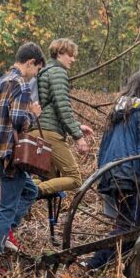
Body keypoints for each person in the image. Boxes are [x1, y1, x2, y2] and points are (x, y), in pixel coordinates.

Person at [84, 71, 140, 272]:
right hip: (130, 176)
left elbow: (104, 146)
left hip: (110, 173)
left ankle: (128, 269)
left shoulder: (116, 112)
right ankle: (94, 263)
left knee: (126, 223)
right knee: (128, 229)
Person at [0, 41, 46, 275]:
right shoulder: (20, 85)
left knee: (30, 191)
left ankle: (5, 234)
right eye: (36, 70)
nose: (34, 75)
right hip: (12, 155)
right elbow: (20, 120)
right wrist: (33, 113)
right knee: (7, 207)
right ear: (31, 63)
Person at [36, 38, 93, 199]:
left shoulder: (44, 71)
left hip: (38, 131)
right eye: (70, 55)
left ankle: (18, 190)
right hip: (49, 133)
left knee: (50, 180)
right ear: (60, 53)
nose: (73, 59)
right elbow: (62, 107)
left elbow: (52, 107)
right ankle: (31, 191)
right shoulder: (58, 72)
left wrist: (77, 125)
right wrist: (78, 137)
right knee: (74, 178)